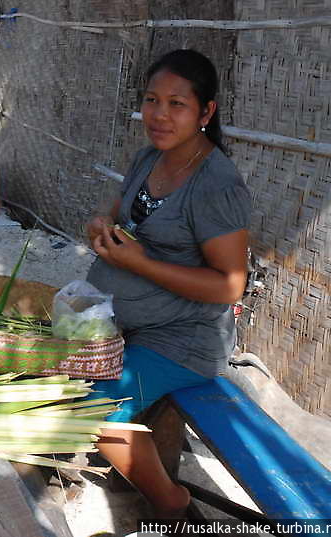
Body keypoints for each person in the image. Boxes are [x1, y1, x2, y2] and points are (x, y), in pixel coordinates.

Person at [84, 49, 252, 517]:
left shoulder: (216, 186)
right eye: (152, 100)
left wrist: (140, 264)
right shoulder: (149, 157)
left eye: (177, 104)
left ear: (206, 112)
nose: (159, 115)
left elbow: (229, 286)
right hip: (134, 323)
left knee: (94, 412)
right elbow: (116, 209)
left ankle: (173, 505)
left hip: (185, 339)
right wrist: (100, 222)